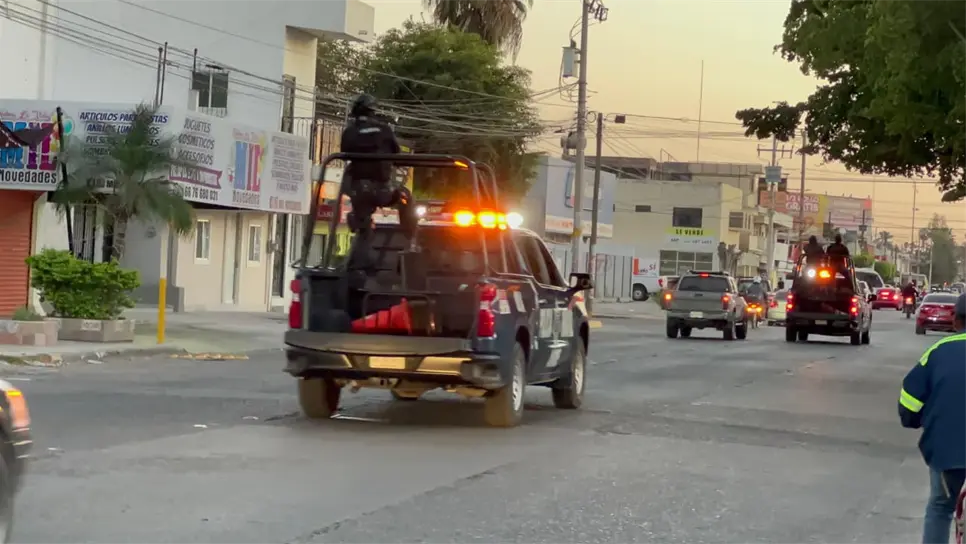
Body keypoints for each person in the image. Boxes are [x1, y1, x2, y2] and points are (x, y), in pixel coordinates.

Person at [898, 293, 966, 543]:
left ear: (956, 321)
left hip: (948, 450)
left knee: (941, 507)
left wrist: (913, 419)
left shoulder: (938, 352)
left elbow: (909, 400)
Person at [339, 93, 414, 236]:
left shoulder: (349, 132)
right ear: (373, 111)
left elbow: (344, 156)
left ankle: (360, 222)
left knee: (362, 210)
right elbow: (396, 154)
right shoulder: (384, 130)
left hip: (358, 192)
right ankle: (410, 238)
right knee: (406, 196)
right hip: (381, 192)